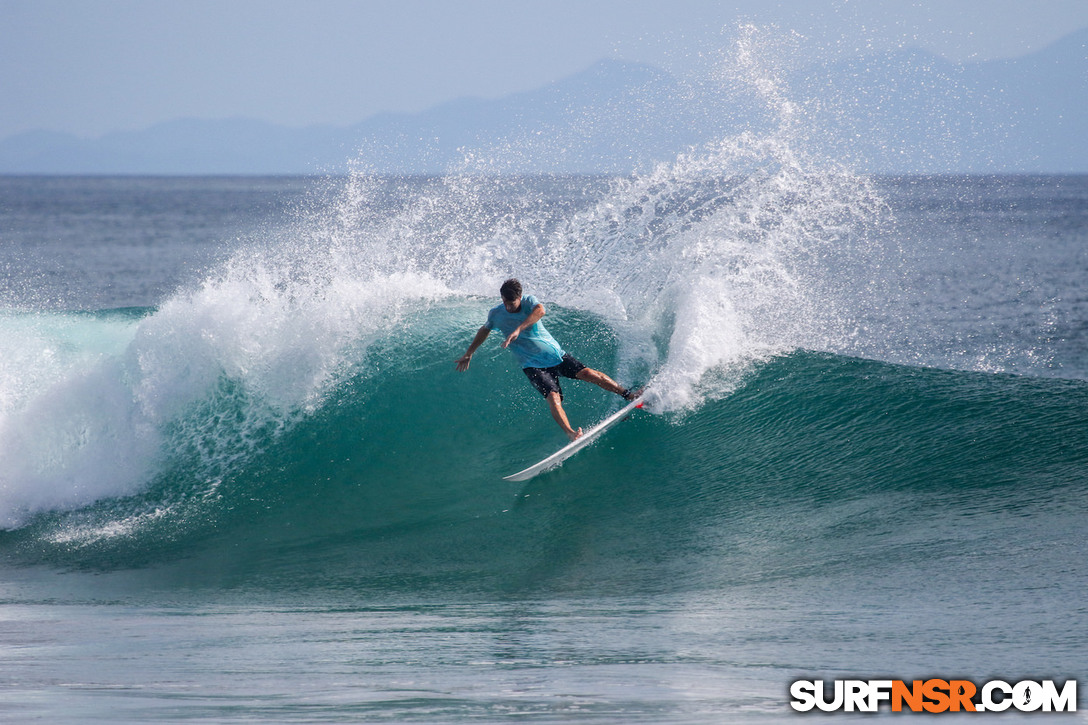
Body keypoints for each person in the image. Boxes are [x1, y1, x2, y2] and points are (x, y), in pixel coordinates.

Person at [455, 278, 637, 441]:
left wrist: (519, 328)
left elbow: (541, 310)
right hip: (532, 365)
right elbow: (484, 330)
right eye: (504, 302)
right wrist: (469, 352)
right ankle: (571, 433)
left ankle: (628, 394)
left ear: (520, 297)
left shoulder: (529, 302)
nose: (508, 307)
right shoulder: (496, 313)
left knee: (589, 373)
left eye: (511, 302)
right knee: (552, 396)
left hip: (555, 355)